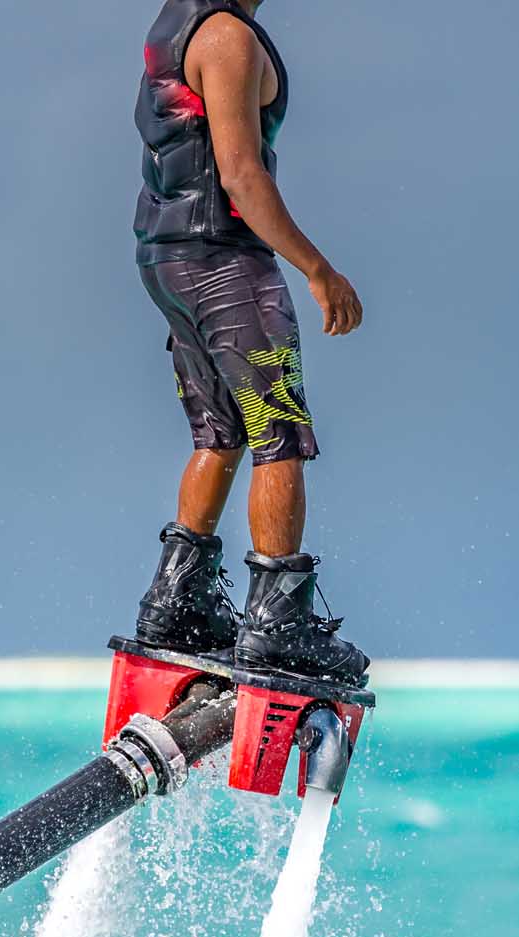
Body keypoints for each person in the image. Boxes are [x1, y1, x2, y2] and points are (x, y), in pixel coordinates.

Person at [128, 0, 369, 684]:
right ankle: (277, 625)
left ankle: (177, 602)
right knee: (279, 430)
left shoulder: (172, 28)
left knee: (220, 431)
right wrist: (319, 269)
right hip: (222, 259)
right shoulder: (228, 37)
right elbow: (240, 174)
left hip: (166, 257)